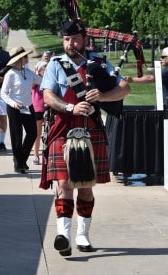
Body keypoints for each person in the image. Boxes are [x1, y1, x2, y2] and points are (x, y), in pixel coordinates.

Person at [40, 20, 131, 257]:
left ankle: (83, 234)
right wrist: (70, 107)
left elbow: (124, 88)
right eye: (67, 40)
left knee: (86, 187)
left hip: (91, 131)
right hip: (63, 130)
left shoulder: (98, 63)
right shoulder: (55, 64)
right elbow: (48, 95)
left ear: (85, 40)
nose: (71, 44)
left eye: (76, 39)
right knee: (64, 185)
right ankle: (64, 235)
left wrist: (104, 95)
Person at [1, 47, 42, 173]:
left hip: (28, 107)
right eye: (24, 57)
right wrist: (13, 104)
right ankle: (19, 165)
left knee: (32, 133)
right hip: (14, 108)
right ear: (18, 59)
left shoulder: (28, 72)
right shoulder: (10, 74)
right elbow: (4, 93)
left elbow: (42, 81)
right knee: (17, 137)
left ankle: (21, 160)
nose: (27, 58)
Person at [0, 35, 10, 151]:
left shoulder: (6, 56)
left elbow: (12, 73)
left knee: (2, 116)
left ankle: (1, 142)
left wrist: (3, 79)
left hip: (2, 90)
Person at [32, 61, 47, 165]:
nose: (45, 71)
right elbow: (30, 84)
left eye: (46, 69)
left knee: (48, 134)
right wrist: (36, 74)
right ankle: (36, 155)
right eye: (43, 69)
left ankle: (45, 155)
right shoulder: (35, 79)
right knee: (37, 134)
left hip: (48, 109)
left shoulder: (49, 79)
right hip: (37, 109)